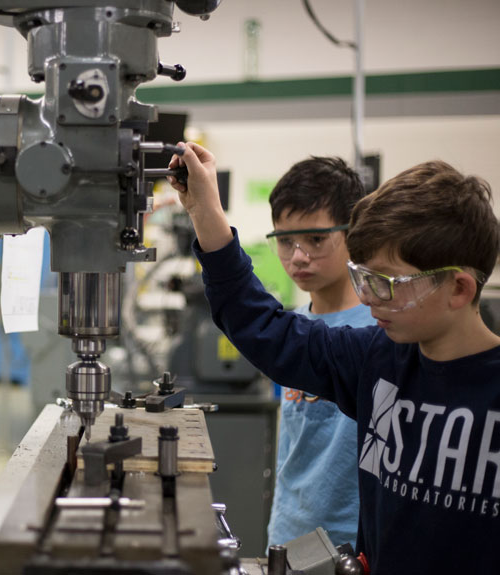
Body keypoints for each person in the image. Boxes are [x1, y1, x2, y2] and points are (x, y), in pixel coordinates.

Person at [168, 143, 500, 574]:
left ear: (458, 288)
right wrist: (205, 210)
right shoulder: (378, 360)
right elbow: (264, 327)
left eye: (387, 283)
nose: (369, 297)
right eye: (365, 279)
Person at [264, 157, 373, 550]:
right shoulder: (293, 328)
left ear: (352, 232)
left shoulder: (382, 330)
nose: (298, 256)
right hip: (288, 534)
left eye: (315, 239)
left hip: (354, 543)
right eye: (285, 240)